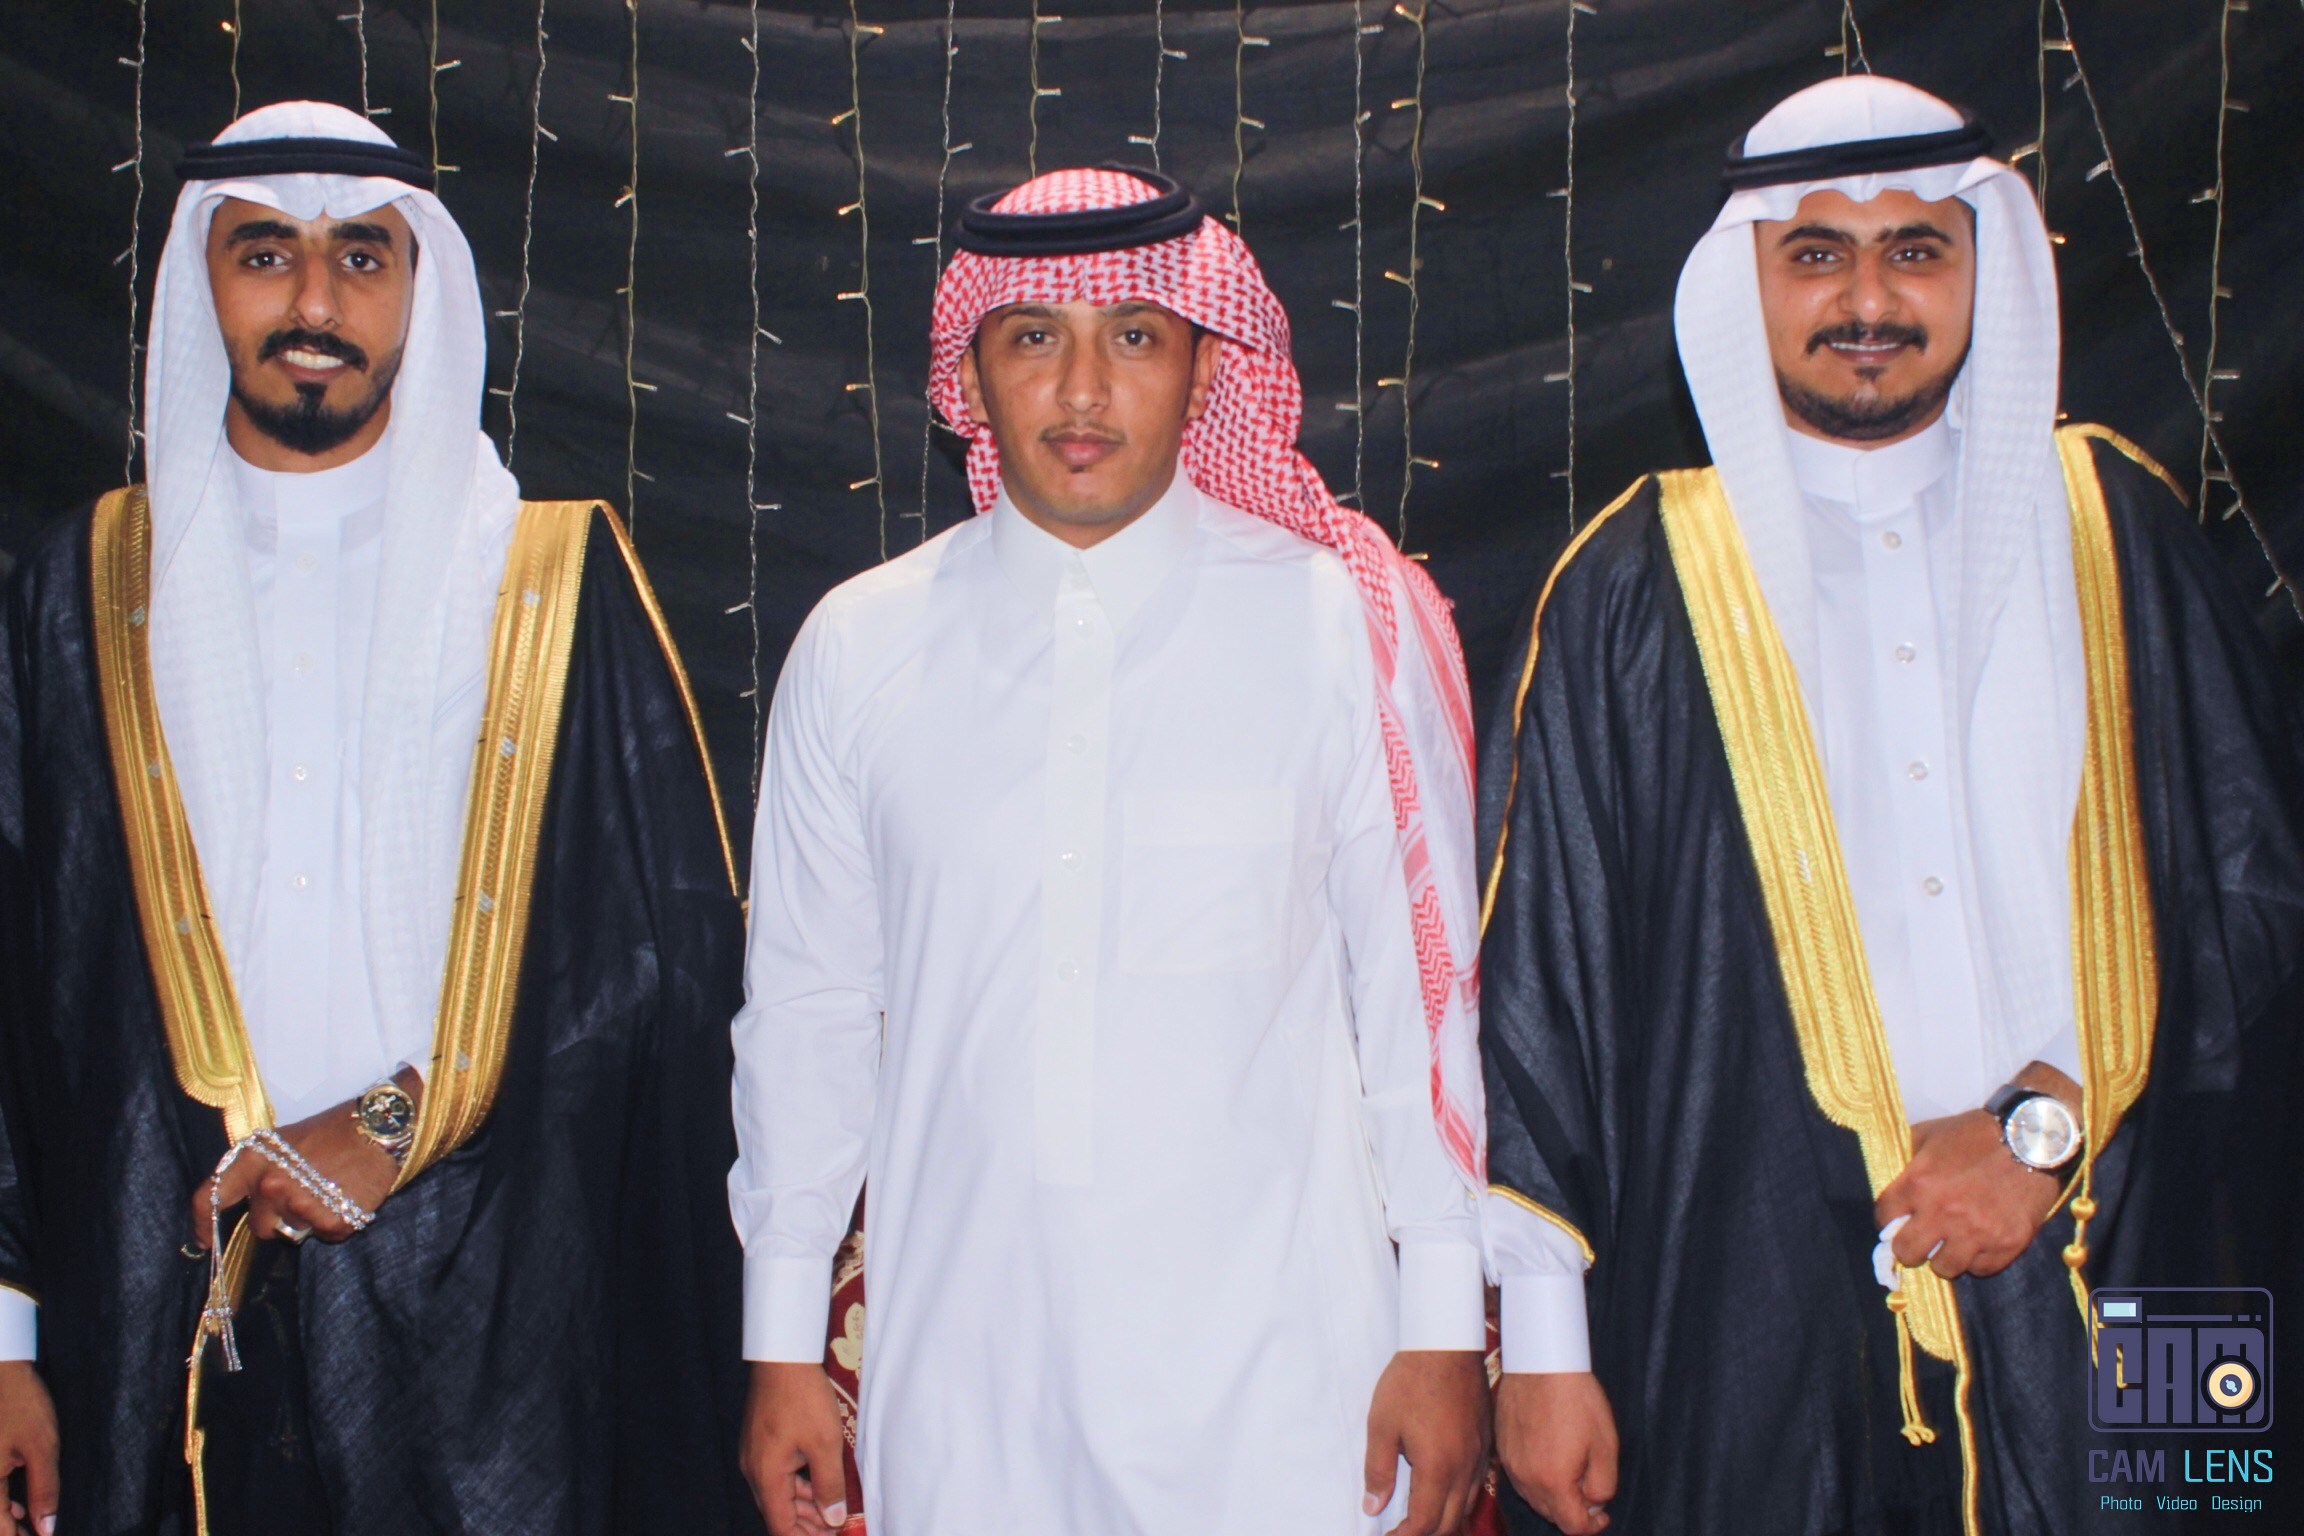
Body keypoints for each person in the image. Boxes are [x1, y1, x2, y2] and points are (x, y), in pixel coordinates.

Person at [1479, 76, 2302, 1536]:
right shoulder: (1637, 584)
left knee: (2193, 1513)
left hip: (2143, 1245)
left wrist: (2045, 1127)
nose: (1869, 300)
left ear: (1986, 263)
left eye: (1916, 249)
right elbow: (1546, 983)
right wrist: (1543, 1353)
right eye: (1818, 254)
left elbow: (2256, 892)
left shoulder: (2115, 527)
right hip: (1766, 1295)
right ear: (1748, 278)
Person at [0, 101, 754, 1535]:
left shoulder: (548, 581)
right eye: (264, 253)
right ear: (199, 284)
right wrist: (3, 1338)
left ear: (422, 289)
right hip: (149, 1310)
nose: (314, 301)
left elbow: (649, 969)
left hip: (484, 1319)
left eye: (361, 256)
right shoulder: (78, 595)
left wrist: (399, 1117)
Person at [729, 166, 1493, 1536]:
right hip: (966, 1390)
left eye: (1134, 336)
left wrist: (1442, 1327)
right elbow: (807, 1014)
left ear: (1205, 369)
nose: (1082, 391)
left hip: (1287, 1391)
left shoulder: (1338, 626)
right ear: (972, 375)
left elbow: (1419, 1012)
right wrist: (782, 1342)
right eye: (1035, 338)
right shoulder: (858, 646)